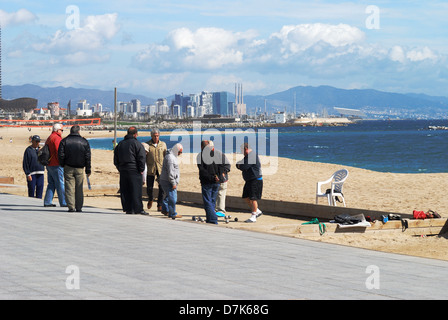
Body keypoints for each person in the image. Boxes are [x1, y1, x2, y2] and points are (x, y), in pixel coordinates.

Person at [113, 126, 148, 215]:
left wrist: (119, 168)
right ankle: (138, 209)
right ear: (135, 134)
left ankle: (128, 208)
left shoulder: (120, 144)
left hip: (123, 170)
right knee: (136, 190)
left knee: (125, 190)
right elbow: (142, 157)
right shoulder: (137, 144)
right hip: (134, 170)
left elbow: (115, 159)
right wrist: (141, 169)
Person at [58, 125, 91, 212]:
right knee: (79, 188)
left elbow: (61, 155)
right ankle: (79, 207)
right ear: (78, 131)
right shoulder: (84, 141)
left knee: (69, 187)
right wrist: (88, 169)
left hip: (68, 166)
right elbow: (88, 156)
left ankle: (71, 206)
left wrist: (62, 164)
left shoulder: (64, 141)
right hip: (80, 167)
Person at [236, 143, 263, 223]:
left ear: (246, 149)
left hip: (255, 180)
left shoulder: (252, 156)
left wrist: (240, 166)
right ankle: (257, 211)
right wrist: (239, 165)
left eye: (242, 150)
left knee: (253, 198)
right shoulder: (247, 157)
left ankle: (253, 216)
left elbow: (244, 166)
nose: (241, 152)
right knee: (245, 197)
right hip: (249, 180)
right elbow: (238, 164)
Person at [43, 124, 67, 207]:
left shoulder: (50, 137)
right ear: (58, 130)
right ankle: (63, 202)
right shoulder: (57, 138)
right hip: (56, 164)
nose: (62, 132)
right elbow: (58, 151)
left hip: (49, 163)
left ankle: (47, 201)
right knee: (60, 183)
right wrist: (62, 162)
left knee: (51, 183)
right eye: (62, 130)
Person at [145, 128, 167, 211]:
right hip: (150, 169)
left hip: (161, 169)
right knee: (149, 187)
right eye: (154, 136)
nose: (156, 138)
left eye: (157, 136)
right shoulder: (147, 145)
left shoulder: (163, 144)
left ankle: (159, 204)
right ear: (151, 136)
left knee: (161, 187)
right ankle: (150, 199)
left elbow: (166, 156)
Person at [159, 143, 183, 219]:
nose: (180, 154)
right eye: (180, 152)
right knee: (173, 198)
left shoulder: (172, 156)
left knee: (168, 196)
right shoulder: (170, 158)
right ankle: (172, 213)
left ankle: (165, 209)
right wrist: (173, 183)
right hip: (168, 181)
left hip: (167, 180)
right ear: (176, 150)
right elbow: (170, 172)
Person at [208, 141, 230, 215]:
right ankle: (214, 209)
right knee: (214, 193)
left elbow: (227, 166)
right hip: (214, 178)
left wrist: (222, 174)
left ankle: (220, 209)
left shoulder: (219, 154)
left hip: (222, 178)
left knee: (221, 193)